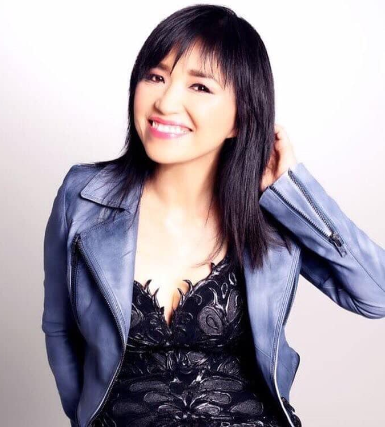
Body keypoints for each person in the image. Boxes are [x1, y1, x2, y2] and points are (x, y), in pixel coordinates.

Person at [41, 5, 385, 427]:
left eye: (200, 86)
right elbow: (59, 330)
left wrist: (295, 190)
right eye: (156, 77)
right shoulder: (83, 196)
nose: (166, 101)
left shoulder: (273, 210)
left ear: (241, 118)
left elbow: (376, 294)